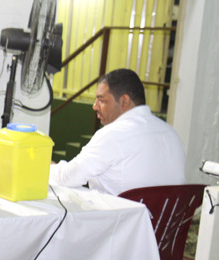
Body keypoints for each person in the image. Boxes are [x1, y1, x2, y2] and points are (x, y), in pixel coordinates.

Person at [49, 68, 186, 196]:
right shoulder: (171, 134)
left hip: (121, 214)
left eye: (101, 100)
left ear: (124, 101)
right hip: (165, 214)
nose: (95, 106)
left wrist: (46, 166)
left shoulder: (113, 135)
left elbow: (68, 178)